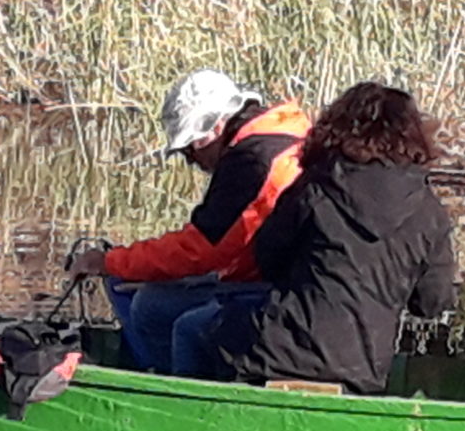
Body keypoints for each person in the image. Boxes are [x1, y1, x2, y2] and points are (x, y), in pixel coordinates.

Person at [176, 81, 457, 394]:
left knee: (190, 329)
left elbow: (267, 257)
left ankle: (191, 420)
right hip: (361, 375)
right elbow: (432, 303)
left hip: (275, 354)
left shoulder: (314, 188)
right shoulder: (430, 213)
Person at [68, 70, 309, 373]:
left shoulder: (252, 161)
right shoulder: (281, 131)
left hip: (277, 289)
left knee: (177, 323)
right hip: (265, 273)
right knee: (150, 301)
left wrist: (111, 262)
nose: (190, 160)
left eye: (190, 148)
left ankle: (174, 400)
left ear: (217, 126)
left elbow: (200, 249)